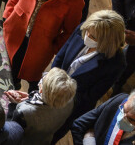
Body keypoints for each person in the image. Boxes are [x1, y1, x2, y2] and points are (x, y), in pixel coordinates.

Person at [3, 0, 84, 92]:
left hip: (40, 48)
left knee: (33, 80)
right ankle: (12, 91)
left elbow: (70, 32)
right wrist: (8, 15)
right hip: (15, 33)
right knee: (10, 71)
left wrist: (53, 48)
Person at [51, 10, 126, 143]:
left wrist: (61, 97)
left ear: (107, 42)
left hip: (71, 105)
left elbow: (90, 96)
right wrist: (51, 80)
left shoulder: (115, 64)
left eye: (93, 37)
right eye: (87, 32)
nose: (86, 36)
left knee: (52, 134)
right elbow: (61, 56)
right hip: (52, 85)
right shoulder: (87, 28)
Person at [71, 85, 135, 145]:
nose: (122, 118)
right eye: (123, 109)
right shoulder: (121, 99)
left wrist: (89, 141)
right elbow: (78, 125)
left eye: (131, 119)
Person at [4, 67, 77, 145]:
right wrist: (30, 97)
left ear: (41, 90)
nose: (41, 78)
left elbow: (12, 130)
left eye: (42, 80)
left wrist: (13, 105)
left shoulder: (24, 112)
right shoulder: (70, 100)